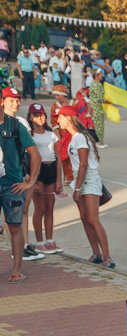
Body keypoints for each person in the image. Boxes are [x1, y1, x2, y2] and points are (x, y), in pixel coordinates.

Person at [59, 106, 112, 269]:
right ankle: (96, 253)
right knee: (84, 218)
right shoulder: (74, 137)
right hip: (80, 178)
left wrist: (77, 189)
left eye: (60, 117)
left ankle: (107, 256)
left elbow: (83, 164)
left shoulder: (80, 138)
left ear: (68, 118)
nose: (57, 120)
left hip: (88, 178)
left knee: (93, 219)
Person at [0, 88, 40, 283]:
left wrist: (31, 181)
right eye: (12, 99)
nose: (16, 103)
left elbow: (35, 153)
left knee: (15, 227)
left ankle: (17, 268)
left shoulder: (15, 125)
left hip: (12, 185)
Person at [27, 103, 61, 256]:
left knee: (50, 209)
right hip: (38, 171)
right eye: (35, 115)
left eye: (41, 114)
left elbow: (58, 157)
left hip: (51, 169)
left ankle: (50, 240)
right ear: (30, 117)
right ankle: (40, 242)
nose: (39, 117)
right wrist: (31, 179)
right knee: (39, 208)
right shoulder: (29, 134)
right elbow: (27, 157)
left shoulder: (51, 133)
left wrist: (59, 179)